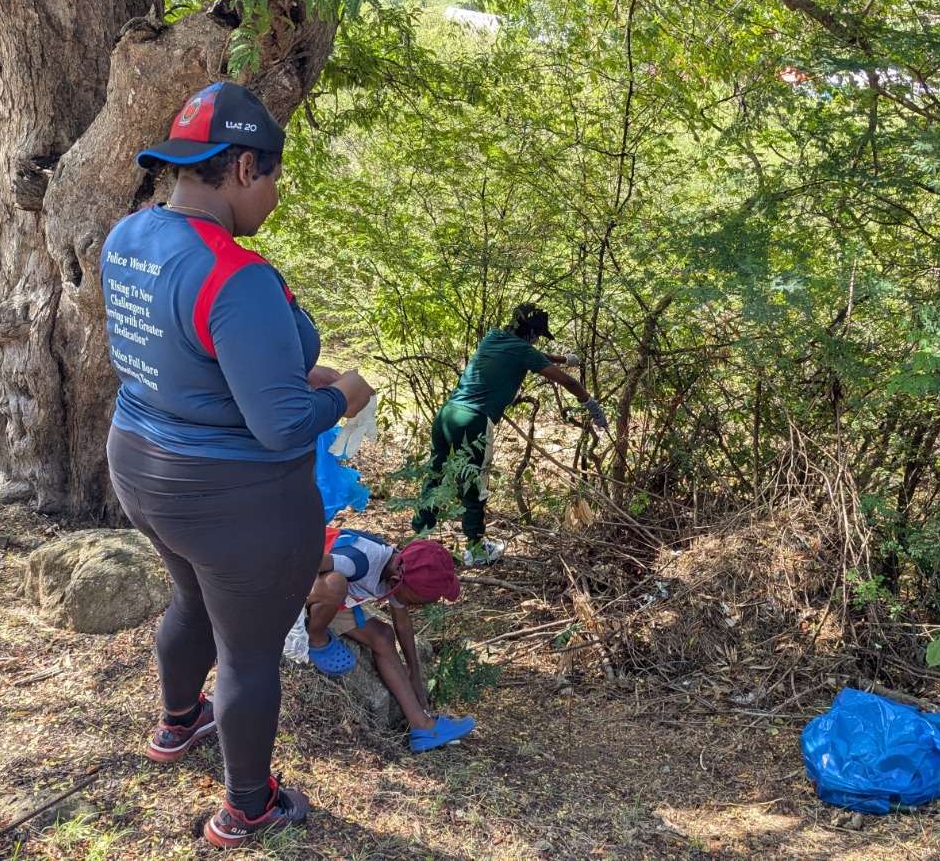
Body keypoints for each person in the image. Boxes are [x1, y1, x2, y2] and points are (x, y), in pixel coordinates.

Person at [103, 82, 374, 849]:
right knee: (250, 650)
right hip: (234, 497)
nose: (277, 196)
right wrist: (344, 396)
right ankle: (247, 806)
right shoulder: (237, 275)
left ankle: (178, 722)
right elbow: (284, 427)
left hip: (142, 466)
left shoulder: (128, 235)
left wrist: (283, 374)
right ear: (246, 167)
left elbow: (177, 352)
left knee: (190, 598)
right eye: (277, 178)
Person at [412, 303, 605, 565]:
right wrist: (591, 405)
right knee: (475, 483)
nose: (536, 339)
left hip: (448, 413)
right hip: (474, 420)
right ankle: (477, 549)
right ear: (530, 333)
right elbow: (567, 382)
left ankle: (419, 537)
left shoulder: (493, 337)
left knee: (436, 472)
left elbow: (532, 355)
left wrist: (563, 359)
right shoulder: (523, 350)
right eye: (537, 334)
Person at [302, 527, 477, 752]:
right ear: (396, 580)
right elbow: (305, 562)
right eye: (415, 601)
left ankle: (423, 727)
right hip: (301, 587)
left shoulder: (401, 568)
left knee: (383, 636)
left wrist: (415, 674)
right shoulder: (358, 561)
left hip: (333, 599)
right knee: (335, 583)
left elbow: (402, 624)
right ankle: (315, 639)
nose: (413, 607)